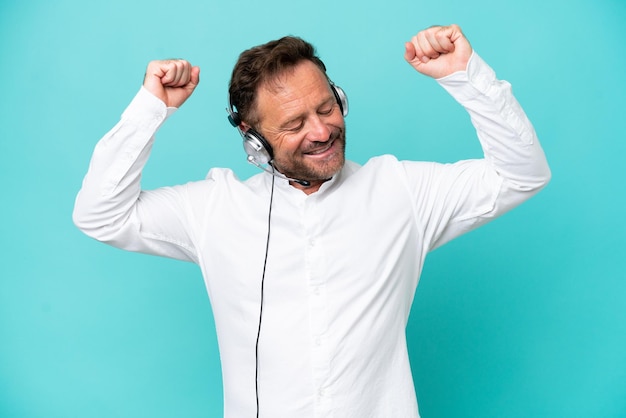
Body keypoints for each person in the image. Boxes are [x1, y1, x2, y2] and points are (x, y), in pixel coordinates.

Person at [73, 24, 550, 418]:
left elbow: (523, 174)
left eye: (326, 108)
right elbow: (100, 215)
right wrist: (150, 109)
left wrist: (465, 77)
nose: (322, 131)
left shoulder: (402, 191)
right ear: (252, 140)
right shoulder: (214, 208)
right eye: (295, 123)